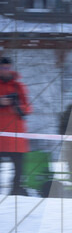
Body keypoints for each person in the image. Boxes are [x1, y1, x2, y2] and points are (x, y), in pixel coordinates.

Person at [0, 56, 31, 196]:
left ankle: (15, 192)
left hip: (16, 135)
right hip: (2, 135)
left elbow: (28, 108)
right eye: (2, 67)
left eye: (7, 67)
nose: (5, 70)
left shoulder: (19, 86)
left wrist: (18, 106)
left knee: (18, 167)